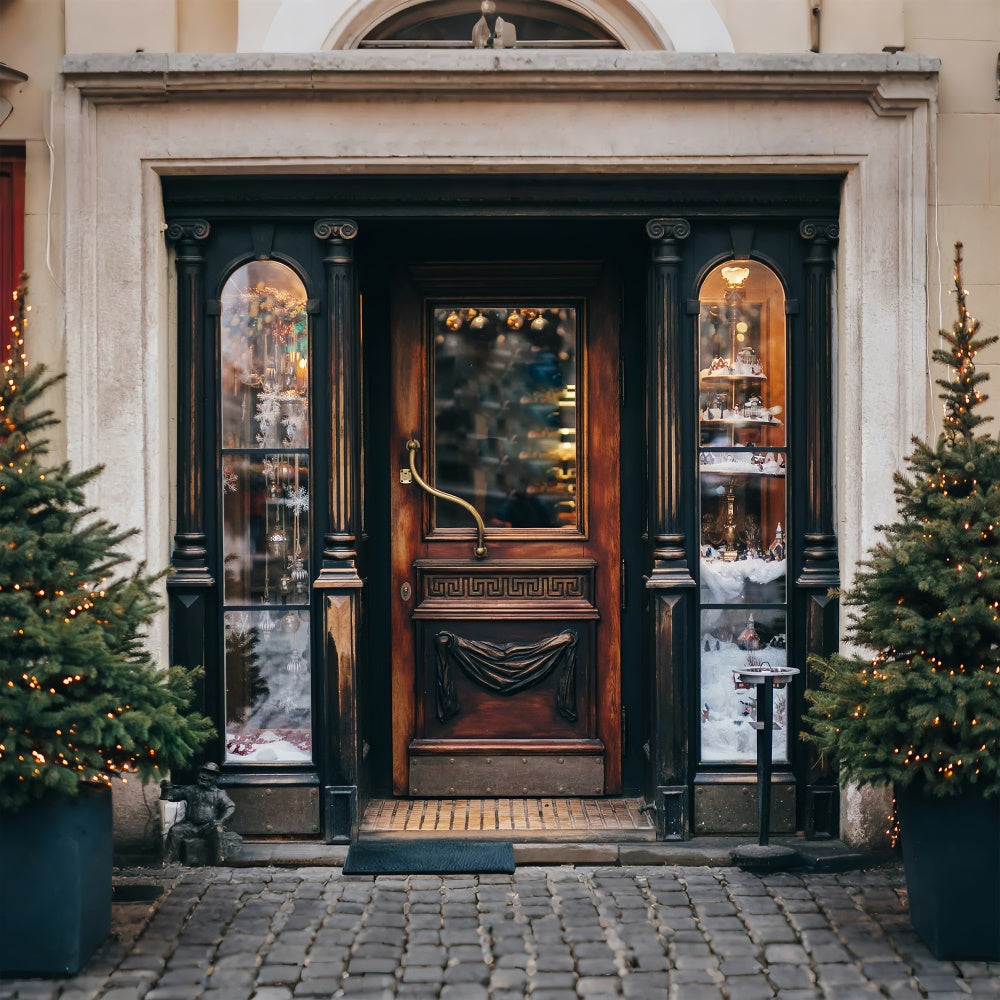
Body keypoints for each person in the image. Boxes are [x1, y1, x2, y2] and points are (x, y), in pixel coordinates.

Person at [161, 762, 240, 865]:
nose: (204, 776)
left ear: (216, 778)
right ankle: (170, 862)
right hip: (190, 825)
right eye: (203, 772)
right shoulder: (190, 790)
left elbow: (230, 807)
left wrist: (221, 821)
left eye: (209, 774)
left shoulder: (219, 793)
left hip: (208, 826)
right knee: (175, 830)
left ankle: (219, 861)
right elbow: (171, 796)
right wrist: (166, 788)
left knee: (218, 830)